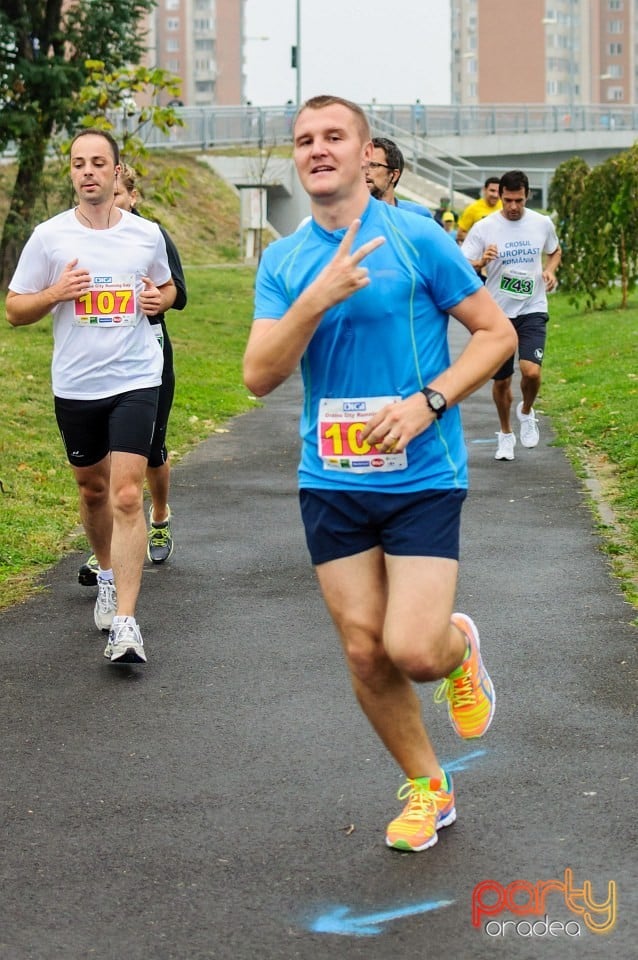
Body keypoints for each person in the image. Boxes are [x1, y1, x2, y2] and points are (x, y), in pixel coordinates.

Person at [244, 94, 516, 852]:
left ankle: (459, 647)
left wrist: (430, 402)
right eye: (304, 140)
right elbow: (258, 377)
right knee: (366, 651)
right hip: (331, 478)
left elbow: (494, 336)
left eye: (335, 136)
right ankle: (430, 787)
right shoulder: (285, 260)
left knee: (414, 650)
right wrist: (314, 301)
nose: (317, 149)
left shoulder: (420, 238)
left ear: (366, 154)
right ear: (297, 159)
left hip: (422, 474)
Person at [6, 129, 176, 664]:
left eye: (98, 162)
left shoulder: (145, 234)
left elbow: (168, 287)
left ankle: (126, 623)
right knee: (93, 491)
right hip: (78, 383)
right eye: (79, 163)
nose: (88, 171)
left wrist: (157, 298)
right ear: (72, 173)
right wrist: (56, 293)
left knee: (127, 495)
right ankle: (105, 573)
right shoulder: (49, 237)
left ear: (115, 170)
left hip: (135, 376)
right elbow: (15, 309)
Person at [77, 163, 187, 586]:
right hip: (99, 365)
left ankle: (159, 515)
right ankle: (106, 552)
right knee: (107, 462)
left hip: (148, 359)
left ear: (131, 197)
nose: (113, 202)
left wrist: (159, 300)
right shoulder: (84, 238)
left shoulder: (150, 235)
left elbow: (179, 290)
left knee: (151, 450)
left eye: (120, 195)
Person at [461, 170, 561, 461]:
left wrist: (550, 271)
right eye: (508, 200)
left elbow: (555, 252)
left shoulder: (541, 223)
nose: (513, 207)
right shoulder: (484, 227)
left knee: (532, 371)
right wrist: (481, 261)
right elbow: (462, 263)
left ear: (527, 196)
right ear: (500, 197)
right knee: (502, 382)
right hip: (497, 315)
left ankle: (527, 411)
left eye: (518, 200)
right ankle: (505, 433)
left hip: (532, 307)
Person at [366, 137, 433, 217]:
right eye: (363, 165)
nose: (365, 171)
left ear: (394, 175)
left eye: (373, 165)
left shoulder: (418, 215)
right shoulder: (351, 217)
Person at [455, 176, 502, 244]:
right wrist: (480, 242)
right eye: (492, 191)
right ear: (484, 190)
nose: (495, 195)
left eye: (499, 192)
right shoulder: (473, 208)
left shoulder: (504, 206)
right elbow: (460, 234)